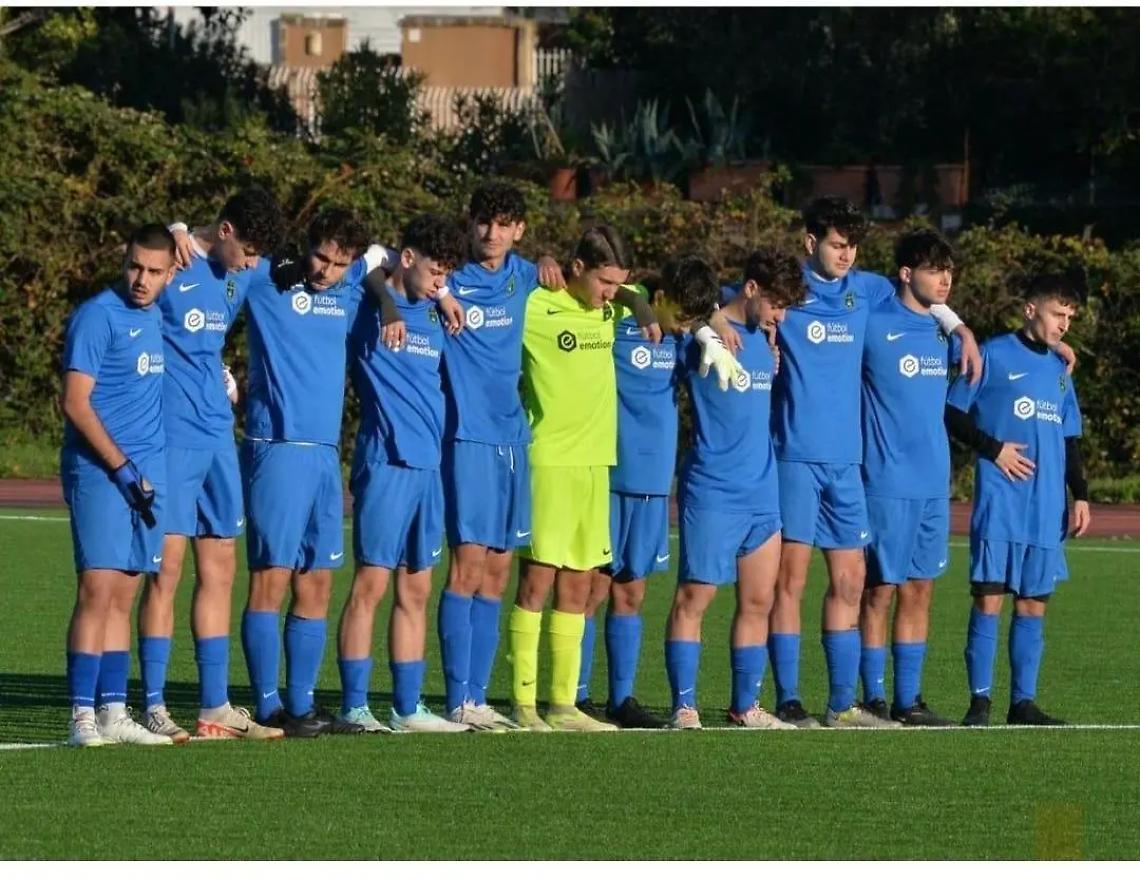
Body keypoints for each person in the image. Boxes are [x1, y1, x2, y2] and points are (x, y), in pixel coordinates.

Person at [237, 208, 451, 737]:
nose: (326, 270)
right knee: (271, 580)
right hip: (278, 445)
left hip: (325, 454)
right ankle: (267, 707)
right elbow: (208, 249)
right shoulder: (266, 277)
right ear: (302, 246)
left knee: (317, 583)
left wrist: (416, 297)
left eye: (338, 262)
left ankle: (303, 705)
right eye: (320, 256)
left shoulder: (357, 281)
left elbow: (382, 259)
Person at [767, 196, 979, 729]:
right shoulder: (784, 288)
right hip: (799, 455)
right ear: (810, 242)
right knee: (791, 579)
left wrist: (960, 328)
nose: (847, 254)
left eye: (853, 245)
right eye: (837, 244)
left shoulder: (868, 292)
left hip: (849, 464)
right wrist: (735, 328)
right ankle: (789, 699)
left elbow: (925, 296)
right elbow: (730, 301)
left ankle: (848, 705)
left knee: (851, 582)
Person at [140, 188, 286, 742]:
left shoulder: (243, 272)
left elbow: (363, 261)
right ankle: (153, 705)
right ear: (223, 231)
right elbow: (134, 275)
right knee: (166, 573)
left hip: (219, 437)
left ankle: (214, 707)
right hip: (171, 439)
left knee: (221, 569)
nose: (252, 265)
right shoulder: (173, 266)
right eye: (247, 251)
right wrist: (175, 222)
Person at [508, 225, 657, 732]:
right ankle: (523, 704)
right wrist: (536, 262)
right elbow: (495, 275)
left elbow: (641, 294)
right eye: (604, 283)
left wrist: (636, 303)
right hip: (549, 462)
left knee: (579, 587)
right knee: (537, 582)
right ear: (575, 269)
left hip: (597, 465)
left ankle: (562, 704)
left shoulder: (614, 307)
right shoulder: (536, 306)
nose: (610, 294)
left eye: (618, 285)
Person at [336, 214, 470, 733]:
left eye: (448, 275)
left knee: (416, 590)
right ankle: (354, 706)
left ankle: (408, 707)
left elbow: (425, 280)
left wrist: (439, 294)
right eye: (436, 272)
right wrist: (389, 301)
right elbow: (369, 258)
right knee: (370, 585)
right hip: (386, 460)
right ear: (407, 258)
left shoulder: (436, 308)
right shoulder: (365, 303)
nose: (443, 282)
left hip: (428, 466)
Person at [664, 251, 800, 730]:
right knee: (694, 600)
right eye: (776, 304)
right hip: (713, 489)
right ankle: (683, 706)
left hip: (762, 492)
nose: (780, 316)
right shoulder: (704, 333)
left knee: (759, 601)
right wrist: (709, 322)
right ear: (752, 288)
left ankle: (746, 705)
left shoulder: (766, 340)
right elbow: (671, 305)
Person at [946, 274, 1090, 727]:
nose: (1063, 324)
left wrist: (1081, 494)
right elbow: (952, 412)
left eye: (1070, 317)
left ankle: (1022, 703)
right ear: (1031, 310)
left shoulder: (1060, 373)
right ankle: (980, 702)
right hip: (1001, 502)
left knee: (1033, 602)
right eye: (1056, 313)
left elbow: (1069, 440)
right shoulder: (992, 354)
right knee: (989, 597)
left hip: (1047, 507)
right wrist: (994, 450)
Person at [61, 224, 178, 747]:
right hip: (103, 472)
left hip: (148, 477)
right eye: (135, 266)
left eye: (154, 271)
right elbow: (75, 403)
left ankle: (113, 711)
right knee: (97, 589)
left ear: (171, 273)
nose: (141, 279)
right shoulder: (96, 316)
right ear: (123, 260)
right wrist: (121, 468)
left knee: (125, 596)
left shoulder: (158, 315)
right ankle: (82, 714)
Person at [857, 229, 959, 726]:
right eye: (933, 270)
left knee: (921, 589)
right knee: (879, 589)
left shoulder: (944, 332)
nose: (944, 280)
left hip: (933, 483)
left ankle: (909, 699)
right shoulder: (872, 324)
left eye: (948, 271)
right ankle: (871, 697)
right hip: (884, 480)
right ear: (905, 274)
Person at [574, 276, 678, 730]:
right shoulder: (613, 321)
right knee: (592, 589)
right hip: (610, 474)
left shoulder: (689, 339)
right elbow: (602, 291)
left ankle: (622, 699)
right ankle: (573, 696)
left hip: (654, 483)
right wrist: (635, 301)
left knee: (632, 590)